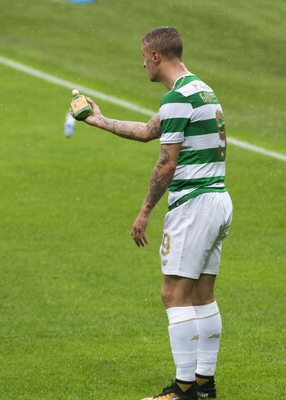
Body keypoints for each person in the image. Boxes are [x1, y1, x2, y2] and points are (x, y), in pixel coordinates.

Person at [75, 27, 232, 399]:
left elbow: (166, 163)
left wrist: (145, 210)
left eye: (143, 56)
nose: (142, 63)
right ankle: (204, 384)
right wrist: (97, 119)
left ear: (156, 56)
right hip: (217, 200)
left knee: (173, 295)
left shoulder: (177, 99)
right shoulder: (200, 90)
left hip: (193, 204)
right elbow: (149, 132)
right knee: (202, 295)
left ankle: (182, 390)